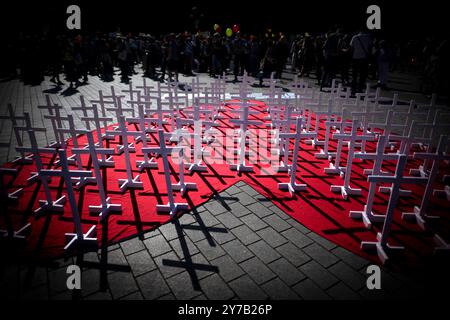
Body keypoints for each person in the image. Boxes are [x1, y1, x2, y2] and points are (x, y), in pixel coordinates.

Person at [350, 28, 372, 96]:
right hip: (364, 59)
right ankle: (360, 90)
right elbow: (370, 47)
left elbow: (351, 48)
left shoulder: (354, 37)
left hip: (355, 58)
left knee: (354, 75)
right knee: (362, 75)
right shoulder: (368, 37)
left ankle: (353, 90)